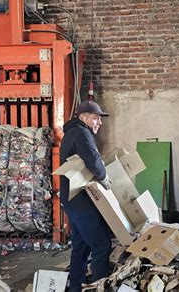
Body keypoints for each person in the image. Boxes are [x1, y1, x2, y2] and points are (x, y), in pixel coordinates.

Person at [59, 100, 112, 291]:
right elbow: (92, 158)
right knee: (101, 245)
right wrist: (104, 177)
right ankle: (100, 287)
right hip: (81, 201)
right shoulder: (82, 132)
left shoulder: (72, 133)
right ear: (83, 117)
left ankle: (76, 287)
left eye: (99, 118)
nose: (99, 122)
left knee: (81, 246)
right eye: (95, 118)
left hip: (72, 200)